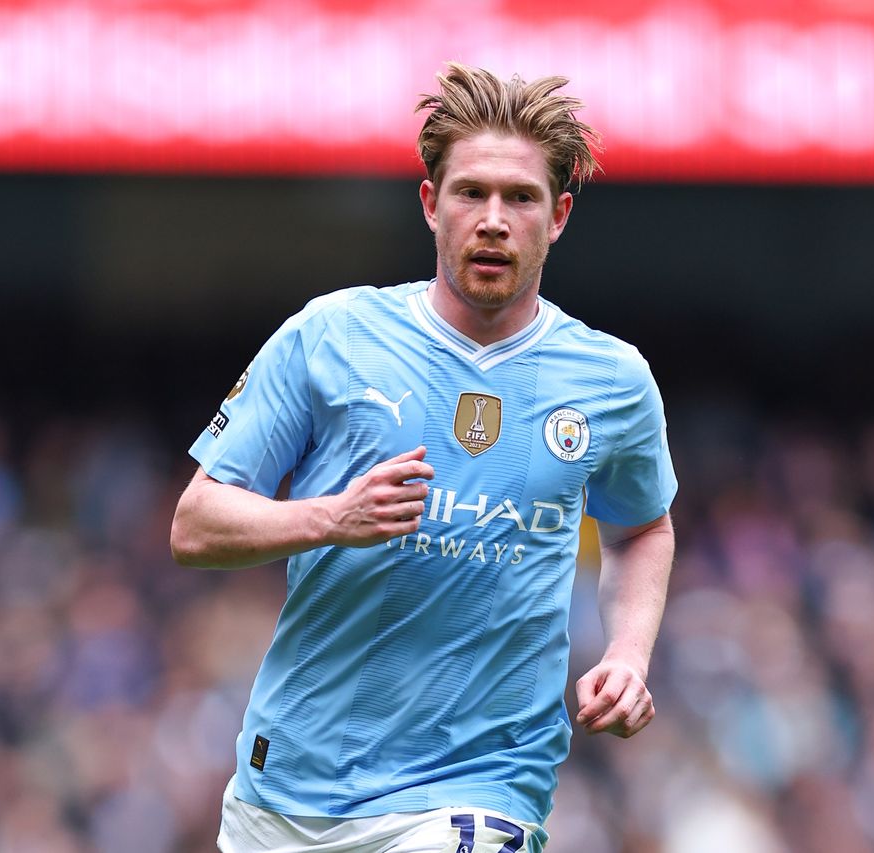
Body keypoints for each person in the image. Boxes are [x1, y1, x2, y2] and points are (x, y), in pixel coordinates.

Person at [171, 62, 677, 853]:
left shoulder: (612, 380)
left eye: (521, 198)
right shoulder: (329, 336)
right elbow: (196, 525)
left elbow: (641, 526)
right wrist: (330, 517)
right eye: (471, 192)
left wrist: (628, 653)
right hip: (290, 785)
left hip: (482, 783)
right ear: (430, 203)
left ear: (560, 216)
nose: (493, 219)